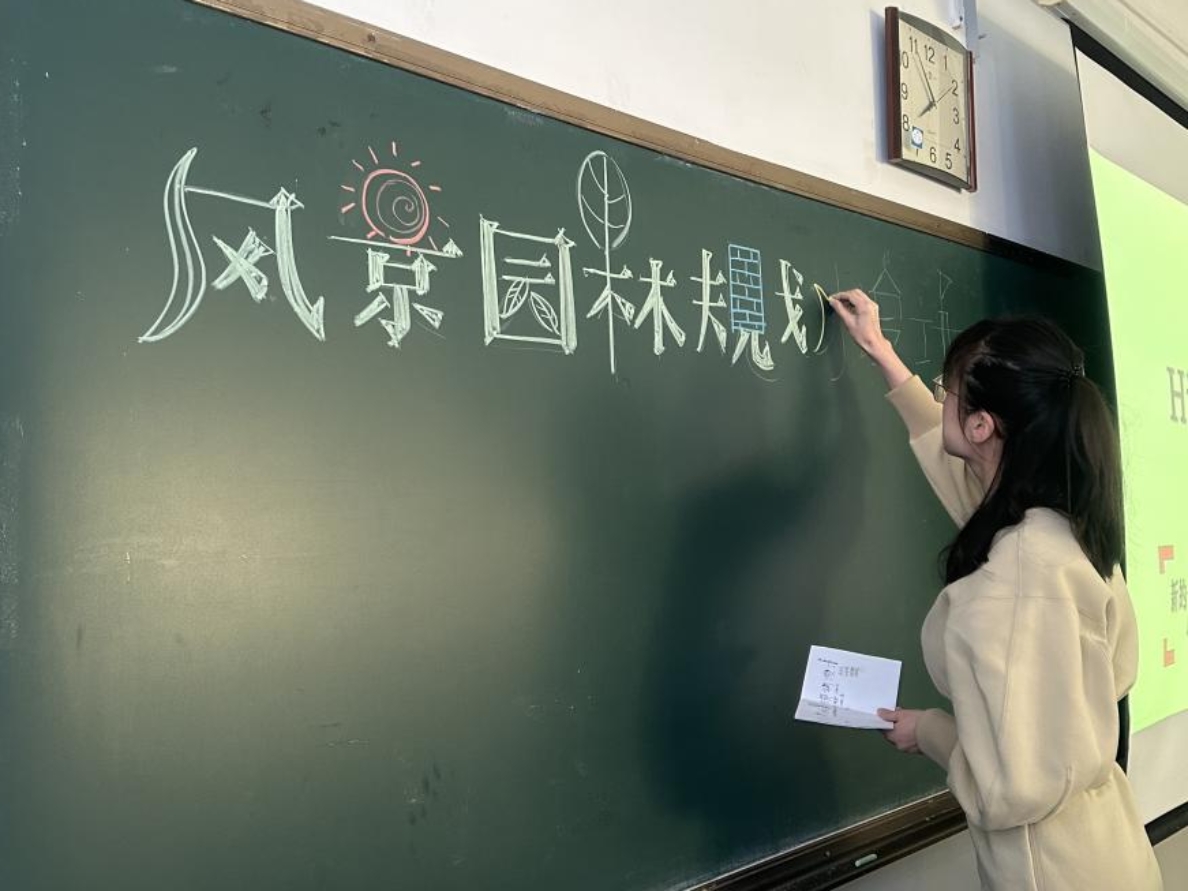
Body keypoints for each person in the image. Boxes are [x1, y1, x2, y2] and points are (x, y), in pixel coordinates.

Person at [828, 289, 1163, 891]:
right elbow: (963, 472)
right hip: (1112, 847)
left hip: (1052, 874)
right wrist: (880, 351)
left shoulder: (1012, 583)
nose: (942, 401)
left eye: (948, 391)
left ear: (982, 425)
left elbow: (1005, 790)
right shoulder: (1066, 530)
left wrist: (928, 729)